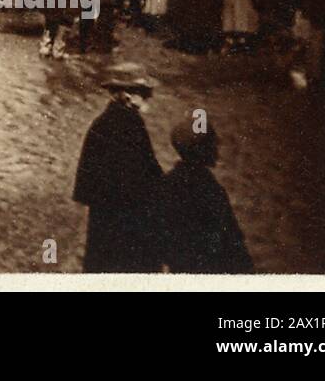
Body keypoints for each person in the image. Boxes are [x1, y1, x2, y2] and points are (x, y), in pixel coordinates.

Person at [72, 61, 164, 272]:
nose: (148, 97)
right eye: (143, 92)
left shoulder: (101, 124)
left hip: (104, 220)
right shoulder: (130, 126)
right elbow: (145, 175)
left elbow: (85, 185)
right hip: (128, 223)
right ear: (127, 95)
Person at [159, 118, 254, 273]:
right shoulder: (210, 190)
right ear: (200, 150)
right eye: (212, 144)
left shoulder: (168, 182)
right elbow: (232, 243)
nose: (217, 149)